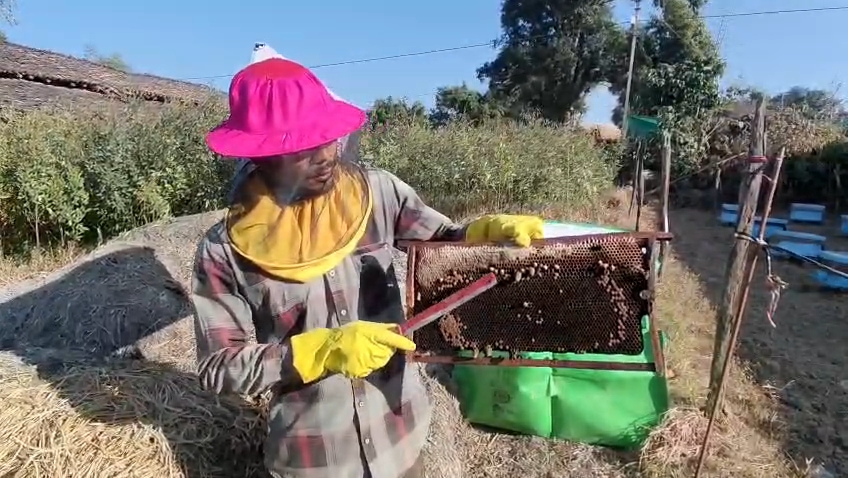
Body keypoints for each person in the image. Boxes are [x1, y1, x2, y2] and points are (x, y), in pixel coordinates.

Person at [190, 51, 544, 478]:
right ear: (262, 154)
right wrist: (318, 351)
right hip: (315, 460)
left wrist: (480, 234)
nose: (326, 153)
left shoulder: (379, 194)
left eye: (327, 136)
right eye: (303, 146)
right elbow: (218, 368)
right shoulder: (224, 251)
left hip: (400, 441)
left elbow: (443, 243)